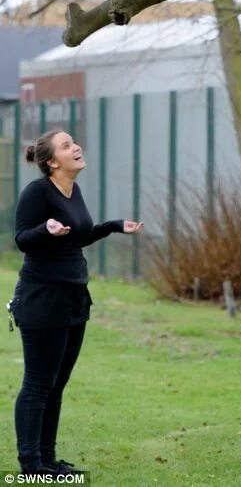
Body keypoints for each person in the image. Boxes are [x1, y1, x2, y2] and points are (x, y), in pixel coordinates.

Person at [10, 128, 143, 476]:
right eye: (67, 145)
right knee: (38, 384)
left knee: (56, 385)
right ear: (53, 161)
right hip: (42, 298)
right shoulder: (37, 192)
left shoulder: (73, 190)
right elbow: (22, 239)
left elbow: (79, 236)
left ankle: (48, 461)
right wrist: (45, 230)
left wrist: (114, 226)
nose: (76, 146)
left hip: (73, 298)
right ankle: (30, 465)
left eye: (74, 142)